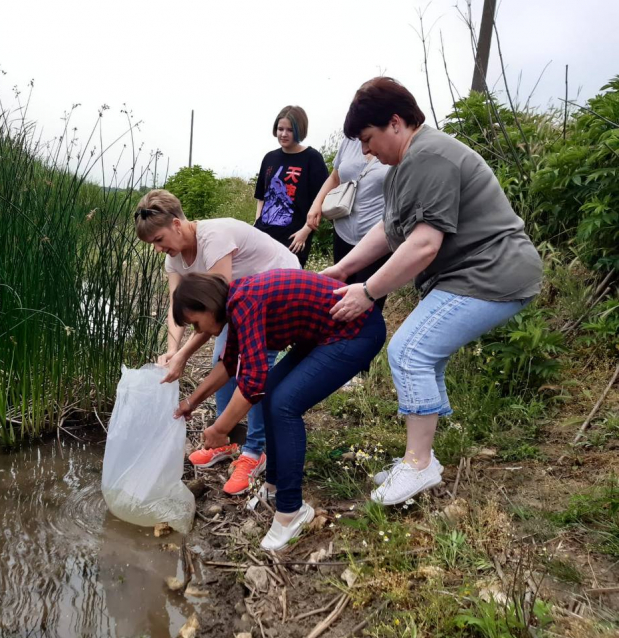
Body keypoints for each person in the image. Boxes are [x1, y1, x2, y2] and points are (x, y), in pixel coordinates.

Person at [322, 77, 543, 505]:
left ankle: (419, 465)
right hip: (468, 274)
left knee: (409, 351)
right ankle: (420, 458)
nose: (366, 151)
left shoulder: (431, 156)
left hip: (492, 272)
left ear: (396, 122)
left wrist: (366, 292)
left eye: (368, 139)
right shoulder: (402, 167)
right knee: (426, 353)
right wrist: (342, 269)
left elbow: (423, 245)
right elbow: (389, 230)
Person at [172, 271, 385, 551]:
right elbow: (229, 364)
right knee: (273, 391)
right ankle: (273, 486)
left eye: (196, 324)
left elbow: (252, 381)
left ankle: (292, 511)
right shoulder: (236, 303)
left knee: (284, 405)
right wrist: (191, 402)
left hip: (356, 332)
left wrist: (220, 429)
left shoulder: (244, 301)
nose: (200, 332)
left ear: (207, 304)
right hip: (323, 334)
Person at [134, 189, 300, 495]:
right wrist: (173, 350)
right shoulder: (174, 259)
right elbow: (177, 307)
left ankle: (255, 451)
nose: (157, 249)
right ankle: (228, 440)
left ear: (177, 224)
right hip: (242, 300)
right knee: (221, 363)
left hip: (278, 293)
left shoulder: (214, 238)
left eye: (159, 240)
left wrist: (184, 356)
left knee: (253, 370)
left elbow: (215, 310)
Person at [306, 136, 391, 309]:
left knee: (368, 302)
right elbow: (335, 177)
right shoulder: (349, 141)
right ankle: (339, 334)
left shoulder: (392, 143)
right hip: (343, 230)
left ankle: (367, 335)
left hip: (377, 236)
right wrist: (317, 204)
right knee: (339, 293)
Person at [254, 105, 329, 267]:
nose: (283, 134)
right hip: (264, 237)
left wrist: (305, 232)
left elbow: (322, 199)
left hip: (294, 239)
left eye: (290, 130)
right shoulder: (269, 158)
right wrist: (256, 226)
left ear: (299, 130)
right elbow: (261, 196)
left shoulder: (312, 158)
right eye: (280, 129)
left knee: (288, 287)